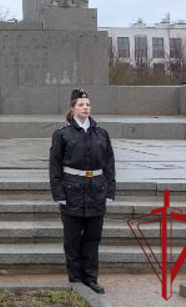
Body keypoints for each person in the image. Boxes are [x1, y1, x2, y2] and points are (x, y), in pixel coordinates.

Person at [49, 88, 116, 295]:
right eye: (81, 105)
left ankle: (91, 278)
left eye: (87, 105)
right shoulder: (62, 135)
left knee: (93, 238)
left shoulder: (102, 134)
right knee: (72, 239)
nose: (85, 108)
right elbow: (55, 166)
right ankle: (76, 279)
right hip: (72, 192)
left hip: (96, 191)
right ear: (72, 108)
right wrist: (59, 194)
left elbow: (109, 164)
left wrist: (110, 190)